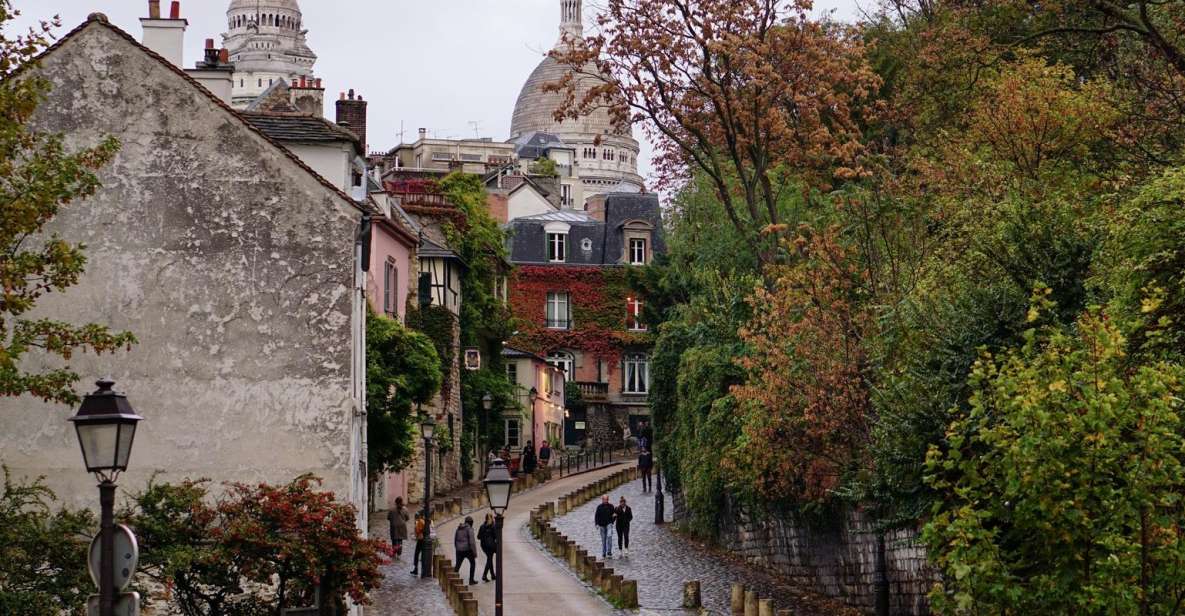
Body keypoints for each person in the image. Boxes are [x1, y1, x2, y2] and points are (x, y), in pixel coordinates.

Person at [453, 516, 478, 585]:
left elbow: (455, 540)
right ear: (471, 523)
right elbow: (472, 542)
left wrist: (457, 548)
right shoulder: (469, 529)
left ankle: (453, 579)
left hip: (459, 550)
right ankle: (471, 580)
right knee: (473, 563)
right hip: (467, 550)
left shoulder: (459, 528)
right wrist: (474, 553)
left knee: (457, 565)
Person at [594, 495, 617, 559]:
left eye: (606, 499)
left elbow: (614, 515)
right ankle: (604, 553)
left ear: (608, 500)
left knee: (609, 537)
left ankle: (609, 551)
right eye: (604, 499)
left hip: (609, 524)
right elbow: (596, 516)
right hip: (601, 525)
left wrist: (612, 522)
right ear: (602, 500)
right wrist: (596, 524)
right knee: (603, 539)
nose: (605, 500)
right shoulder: (599, 507)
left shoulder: (611, 506)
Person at [478, 513, 498, 582]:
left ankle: (492, 575)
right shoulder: (493, 526)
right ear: (492, 518)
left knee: (489, 559)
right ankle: (484, 575)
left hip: (483, 546)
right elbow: (496, 536)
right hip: (491, 546)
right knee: (489, 559)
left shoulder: (482, 526)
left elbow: (478, 537)